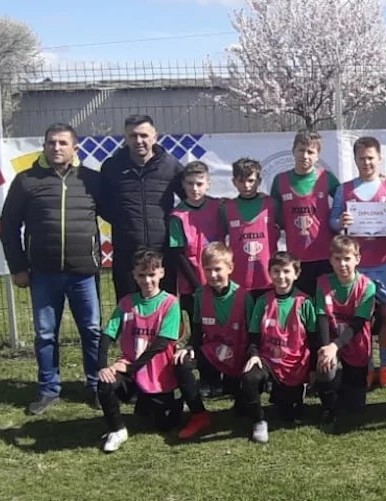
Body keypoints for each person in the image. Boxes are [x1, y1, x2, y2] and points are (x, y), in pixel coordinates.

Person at [0, 123, 103, 415]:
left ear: (74, 148)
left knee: (92, 331)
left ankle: (97, 385)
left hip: (84, 272)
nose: (56, 147)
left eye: (62, 143)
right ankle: (48, 389)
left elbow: (118, 213)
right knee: (45, 334)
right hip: (43, 273)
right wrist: (18, 267)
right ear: (44, 146)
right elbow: (8, 227)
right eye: (51, 142)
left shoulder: (91, 180)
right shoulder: (26, 181)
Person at [330, 136, 386, 389]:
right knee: (361, 316)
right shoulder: (344, 190)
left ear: (379, 158)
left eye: (370, 158)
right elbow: (332, 221)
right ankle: (366, 366)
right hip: (357, 264)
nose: (366, 162)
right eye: (361, 158)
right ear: (355, 160)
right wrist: (341, 222)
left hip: (385, 260)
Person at [96, 248, 182, 453]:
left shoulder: (170, 303)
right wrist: (103, 366)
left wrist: (133, 367)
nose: (147, 280)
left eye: (152, 274)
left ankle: (174, 402)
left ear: (161, 273)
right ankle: (118, 430)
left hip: (158, 373)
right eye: (141, 275)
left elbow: (161, 343)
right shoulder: (127, 303)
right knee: (105, 384)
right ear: (134, 276)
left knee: (163, 425)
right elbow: (107, 335)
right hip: (131, 369)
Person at [173, 243, 254, 439]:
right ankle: (199, 415)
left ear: (230, 268)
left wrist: (253, 356)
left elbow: (254, 334)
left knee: (243, 410)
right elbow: (197, 328)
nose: (212, 275)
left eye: (218, 269)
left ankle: (242, 396)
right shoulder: (200, 295)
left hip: (239, 357)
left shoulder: (244, 297)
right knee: (180, 362)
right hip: (212, 353)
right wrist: (189, 347)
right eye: (208, 270)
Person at [100, 115, 184, 300]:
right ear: (125, 138)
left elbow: (189, 200)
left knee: (165, 308)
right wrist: (123, 221)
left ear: (155, 136)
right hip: (127, 254)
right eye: (133, 136)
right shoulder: (112, 167)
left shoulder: (170, 166)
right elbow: (102, 204)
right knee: (129, 309)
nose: (138, 140)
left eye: (144, 135)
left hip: (162, 252)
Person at [241, 251, 318, 443]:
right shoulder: (262, 302)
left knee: (288, 415)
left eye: (286, 271)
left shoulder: (305, 302)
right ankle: (259, 422)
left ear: (296, 274)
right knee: (249, 377)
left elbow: (314, 338)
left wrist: (313, 369)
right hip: (269, 360)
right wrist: (254, 354)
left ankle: (293, 395)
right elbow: (254, 335)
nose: (281, 276)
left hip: (296, 364)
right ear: (269, 273)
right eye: (276, 271)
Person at [314, 235, 377, 427]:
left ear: (357, 259)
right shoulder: (323, 282)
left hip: (356, 341)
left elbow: (358, 323)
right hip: (332, 339)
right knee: (325, 365)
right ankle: (328, 405)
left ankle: (345, 386)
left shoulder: (367, 286)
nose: (342, 264)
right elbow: (322, 317)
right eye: (337, 259)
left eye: (347, 259)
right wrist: (327, 349)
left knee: (355, 407)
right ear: (330, 260)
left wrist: (336, 345)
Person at [270, 129, 340, 297]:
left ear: (317, 155)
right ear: (293, 151)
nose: (305, 155)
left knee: (325, 304)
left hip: (325, 256)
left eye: (310, 151)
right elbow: (274, 214)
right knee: (302, 304)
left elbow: (345, 201)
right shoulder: (280, 181)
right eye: (301, 150)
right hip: (296, 258)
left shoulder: (327, 178)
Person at [169, 161, 223, 326]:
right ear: (183, 185)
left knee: (222, 321)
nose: (194, 188)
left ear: (208, 183)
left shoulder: (219, 207)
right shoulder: (177, 215)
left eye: (199, 184)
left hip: (218, 275)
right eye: (190, 183)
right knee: (198, 324)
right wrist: (196, 285)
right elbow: (178, 253)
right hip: (191, 280)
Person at [222, 157, 279, 300]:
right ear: (234, 182)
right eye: (241, 181)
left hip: (268, 278)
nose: (246, 186)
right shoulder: (226, 208)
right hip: (238, 279)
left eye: (251, 181)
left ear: (259, 181)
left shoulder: (272, 204)